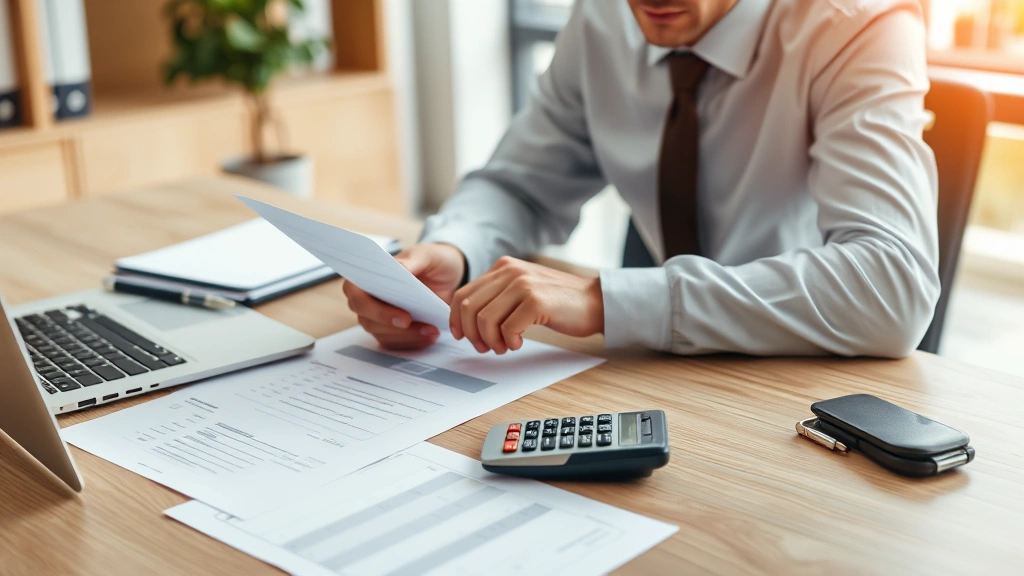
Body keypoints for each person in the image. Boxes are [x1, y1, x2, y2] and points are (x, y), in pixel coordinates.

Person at [343, 0, 939, 358]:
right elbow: (521, 184)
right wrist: (458, 248)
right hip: (655, 372)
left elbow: (891, 285)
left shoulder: (861, 23)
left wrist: (604, 300)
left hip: (804, 376)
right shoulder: (603, 16)